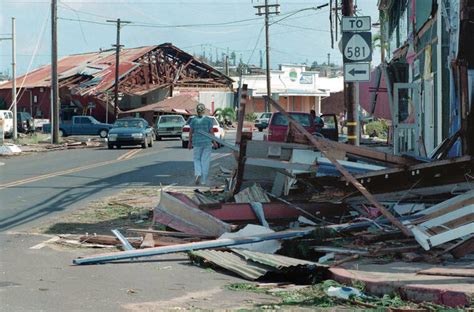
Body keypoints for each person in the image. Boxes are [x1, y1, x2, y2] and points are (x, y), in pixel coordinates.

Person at [188, 103, 218, 185]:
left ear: (197, 111)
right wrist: (214, 142)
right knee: (205, 161)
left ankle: (198, 173)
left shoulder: (193, 120)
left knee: (197, 159)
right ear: (204, 111)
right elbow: (211, 132)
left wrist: (189, 143)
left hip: (197, 143)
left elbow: (191, 132)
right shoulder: (208, 120)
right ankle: (204, 180)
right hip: (207, 143)